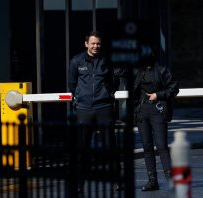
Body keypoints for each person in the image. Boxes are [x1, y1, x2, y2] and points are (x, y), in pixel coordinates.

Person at [68, 31, 121, 192]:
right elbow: (72, 83)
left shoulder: (107, 61)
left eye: (98, 43)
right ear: (86, 44)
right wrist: (79, 98)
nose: (95, 46)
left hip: (104, 108)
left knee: (110, 146)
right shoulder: (76, 61)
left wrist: (107, 94)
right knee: (82, 148)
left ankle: (116, 180)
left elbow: (114, 81)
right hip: (84, 109)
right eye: (92, 43)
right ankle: (79, 183)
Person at [133, 47, 179, 191]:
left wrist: (157, 95)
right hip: (142, 111)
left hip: (157, 109)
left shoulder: (162, 70)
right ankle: (152, 180)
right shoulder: (138, 71)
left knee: (161, 146)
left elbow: (174, 88)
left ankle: (171, 181)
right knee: (147, 147)